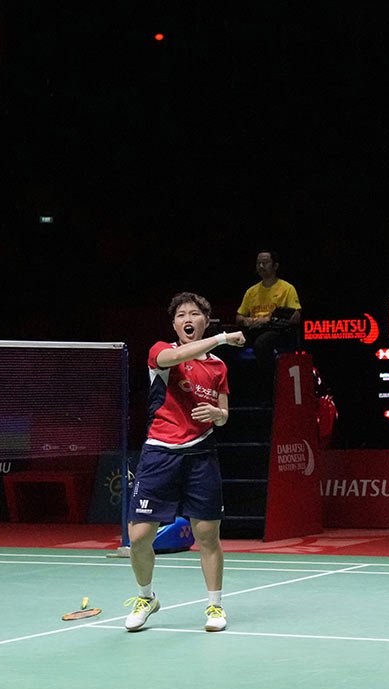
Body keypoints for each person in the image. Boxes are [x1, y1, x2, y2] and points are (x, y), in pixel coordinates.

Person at [124, 292, 244, 633]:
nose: (187, 319)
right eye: (181, 315)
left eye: (194, 314)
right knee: (140, 535)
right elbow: (175, 355)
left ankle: (215, 607)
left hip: (201, 455)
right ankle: (146, 597)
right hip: (160, 453)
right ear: (175, 324)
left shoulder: (219, 367)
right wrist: (221, 338)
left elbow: (224, 416)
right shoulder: (162, 352)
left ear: (205, 320)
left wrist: (217, 414)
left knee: (207, 536)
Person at [235, 250, 302, 361]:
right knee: (230, 341)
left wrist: (268, 320)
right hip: (254, 330)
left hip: (277, 332)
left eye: (265, 262)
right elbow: (239, 317)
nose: (261, 266)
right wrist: (248, 321)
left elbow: (296, 316)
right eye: (258, 263)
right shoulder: (251, 291)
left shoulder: (287, 288)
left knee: (261, 343)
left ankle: (268, 377)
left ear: (275, 266)